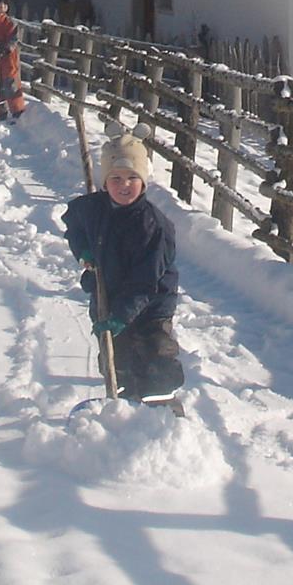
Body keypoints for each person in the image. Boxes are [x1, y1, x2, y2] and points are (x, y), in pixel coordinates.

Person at [61, 127, 183, 403]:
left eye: (132, 178)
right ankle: (123, 409)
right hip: (108, 292)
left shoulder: (153, 226)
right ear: (105, 181)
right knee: (116, 360)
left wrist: (120, 316)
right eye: (115, 178)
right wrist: (84, 251)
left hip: (150, 304)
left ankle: (162, 407)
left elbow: (145, 282)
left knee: (154, 356)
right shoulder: (94, 208)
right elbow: (73, 224)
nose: (123, 185)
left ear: (143, 181)